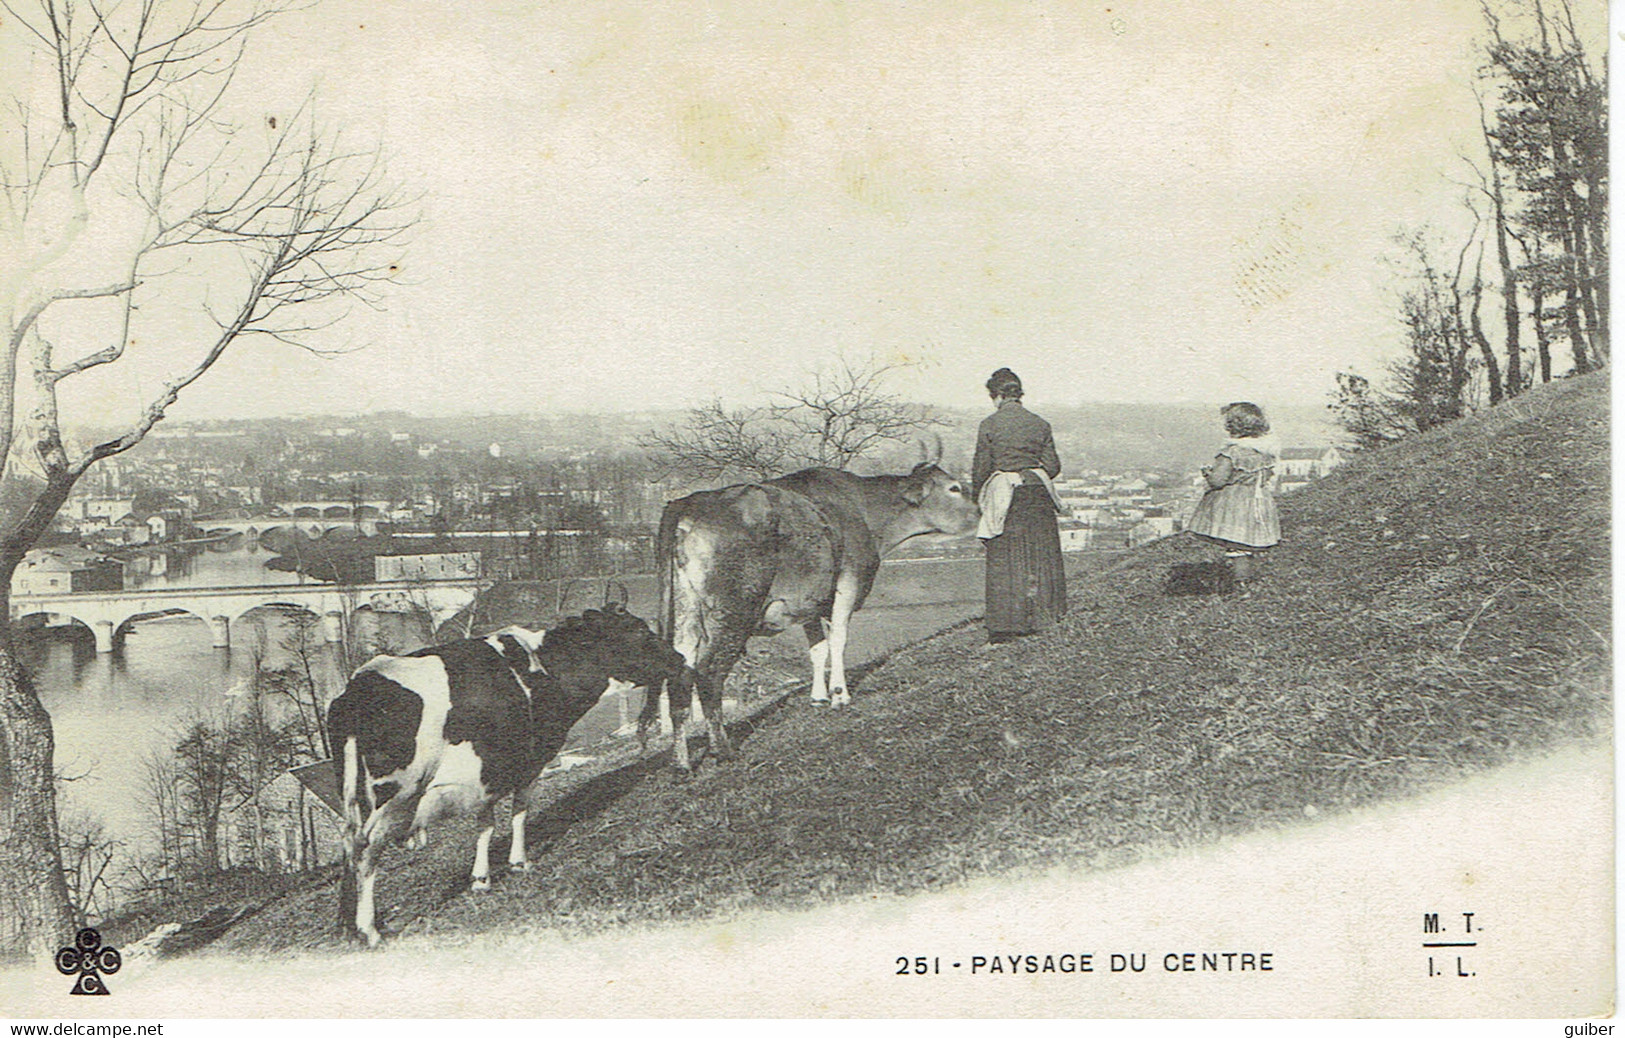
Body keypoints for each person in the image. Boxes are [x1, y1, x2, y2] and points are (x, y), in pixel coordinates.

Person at [972, 367, 1066, 642]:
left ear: (997, 395)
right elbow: (1052, 466)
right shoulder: (1040, 423)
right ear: (1019, 394)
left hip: (1006, 494)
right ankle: (1046, 617)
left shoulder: (990, 424)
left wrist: (980, 497)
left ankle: (1006, 625)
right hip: (1037, 493)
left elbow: (981, 468)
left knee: (1006, 558)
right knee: (1041, 555)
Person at [1186, 401, 1281, 582]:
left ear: (1232, 425)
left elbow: (1218, 481)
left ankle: (1242, 585)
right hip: (1258, 501)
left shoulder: (1231, 452)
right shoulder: (1265, 453)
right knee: (1250, 543)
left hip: (1234, 505)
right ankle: (1255, 581)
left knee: (1237, 547)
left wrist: (1207, 473)